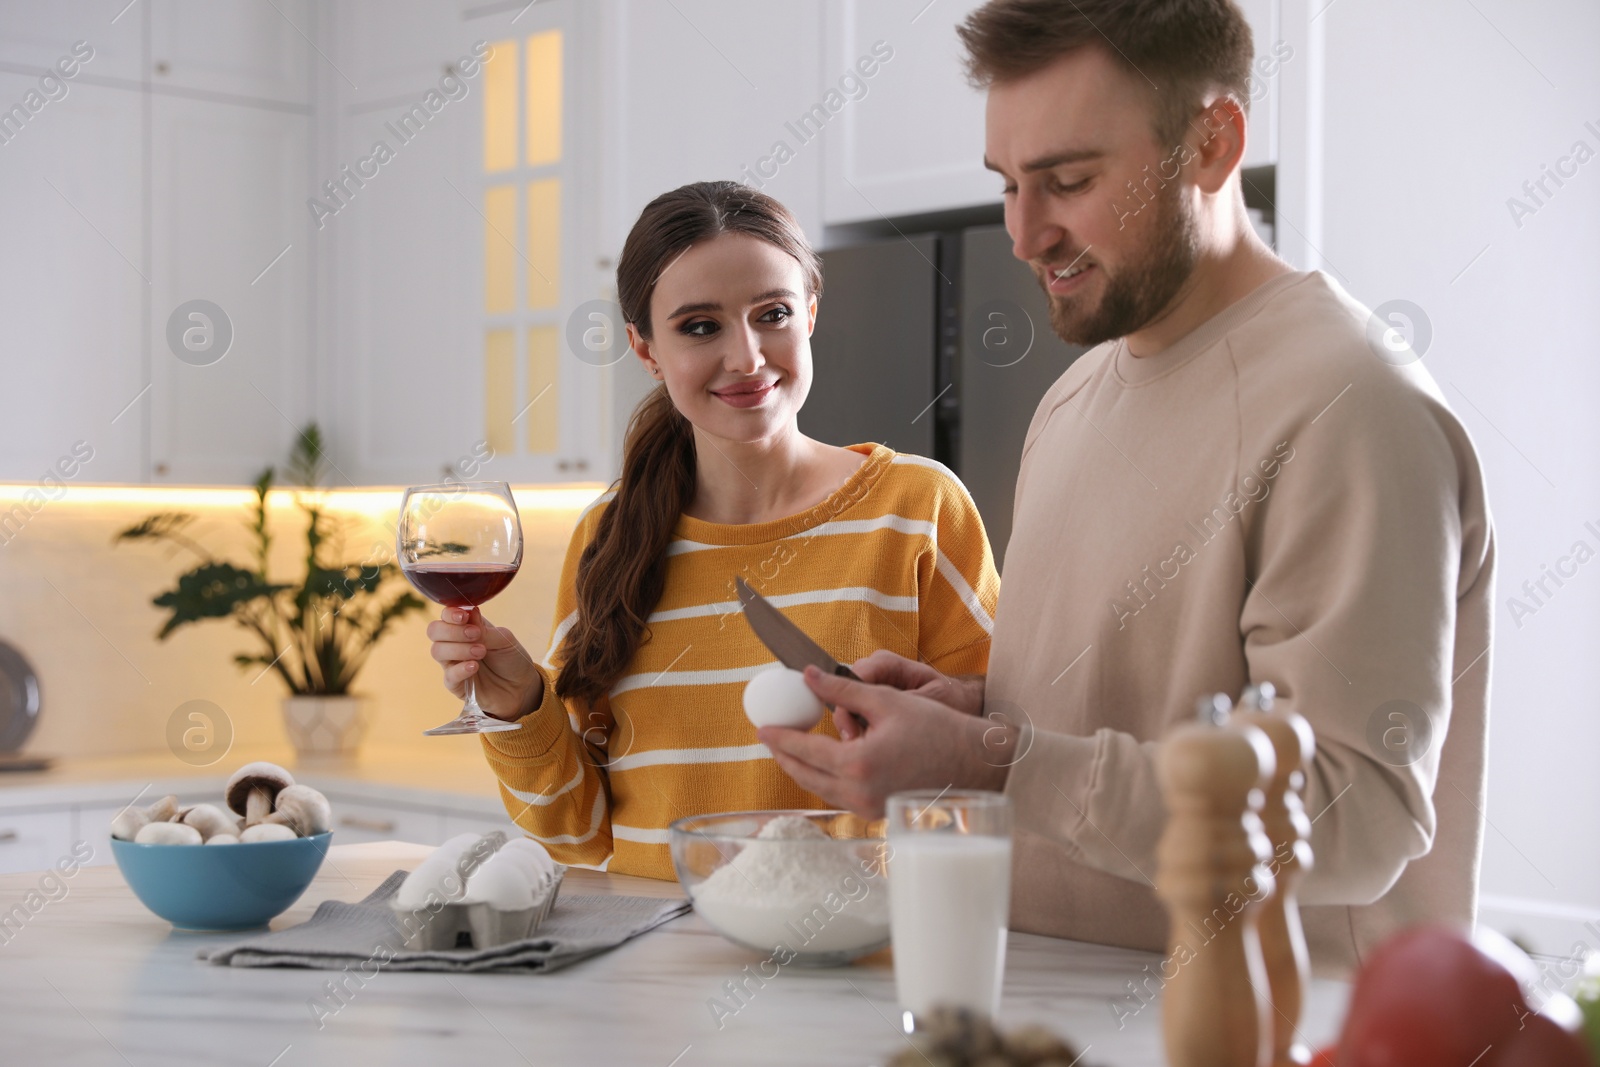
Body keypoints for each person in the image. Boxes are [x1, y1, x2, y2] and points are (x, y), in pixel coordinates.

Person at [757, 0, 1494, 971]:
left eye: (1066, 180)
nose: (1023, 233)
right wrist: (976, 711)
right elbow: (1140, 716)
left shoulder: (1349, 405)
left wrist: (990, 762)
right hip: (1037, 1008)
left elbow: (1356, 815)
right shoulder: (1070, 401)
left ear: (1210, 144)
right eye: (1009, 184)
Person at [425, 181, 1000, 879]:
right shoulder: (607, 538)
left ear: (811, 315)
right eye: (701, 326)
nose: (748, 357)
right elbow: (579, 834)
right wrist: (520, 705)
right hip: (648, 968)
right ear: (646, 350)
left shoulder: (919, 510)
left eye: (774, 314)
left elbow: (986, 788)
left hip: (845, 967)